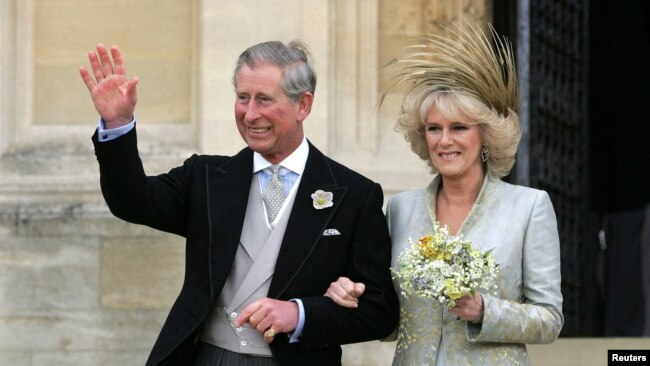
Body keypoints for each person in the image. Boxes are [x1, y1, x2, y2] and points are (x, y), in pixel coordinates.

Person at [79, 40, 398, 366]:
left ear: (302, 105)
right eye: (242, 98)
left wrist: (300, 314)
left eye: (264, 99)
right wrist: (118, 127)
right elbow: (132, 202)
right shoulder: (205, 177)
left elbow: (381, 311)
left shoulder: (354, 195)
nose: (250, 113)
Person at [325, 24, 564, 365]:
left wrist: (485, 310)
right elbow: (390, 318)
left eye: (459, 128)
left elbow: (550, 320)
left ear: (486, 136)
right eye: (434, 128)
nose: (444, 140)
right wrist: (354, 296)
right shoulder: (400, 209)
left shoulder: (528, 207)